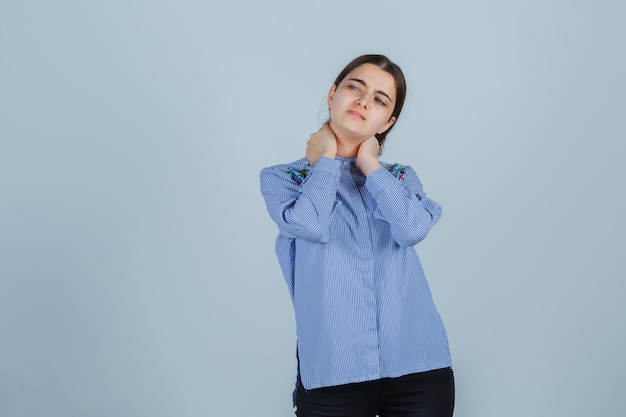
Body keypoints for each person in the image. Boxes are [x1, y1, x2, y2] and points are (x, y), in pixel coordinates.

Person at [259, 54, 454, 417]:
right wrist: (327, 161)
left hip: (419, 368)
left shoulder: (399, 177)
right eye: (355, 87)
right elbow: (310, 225)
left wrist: (370, 165)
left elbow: (411, 230)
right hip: (334, 375)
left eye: (380, 99)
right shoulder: (283, 178)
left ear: (388, 121)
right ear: (333, 93)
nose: (364, 101)